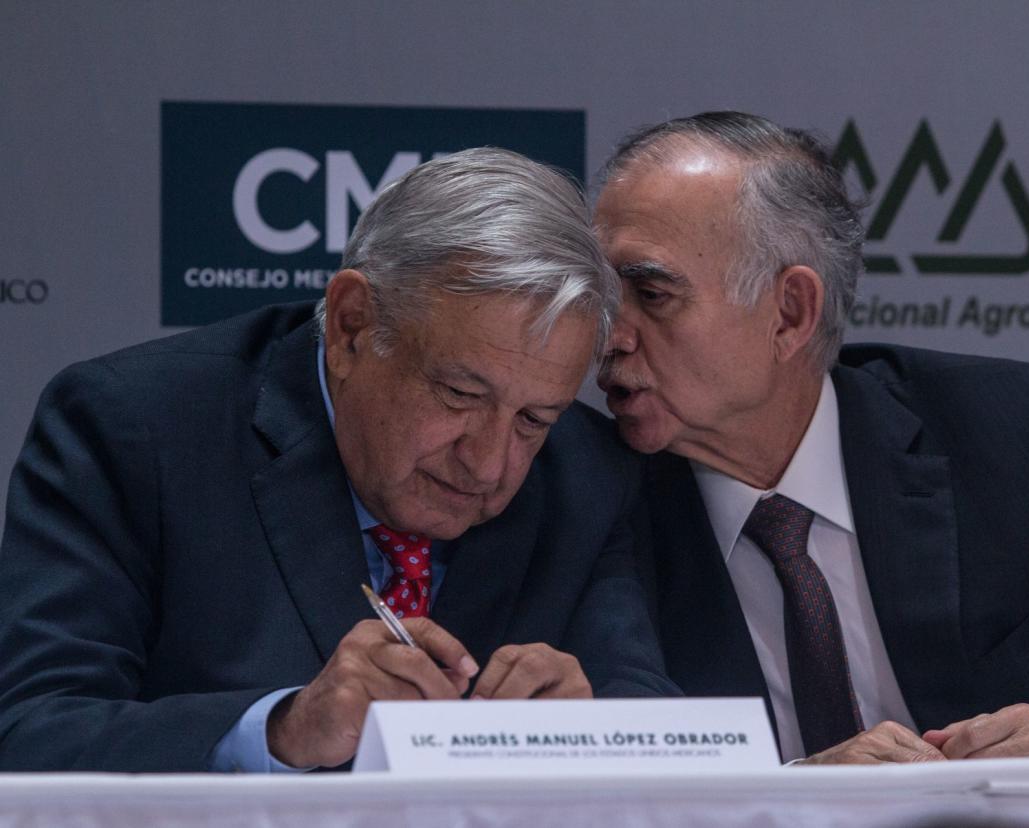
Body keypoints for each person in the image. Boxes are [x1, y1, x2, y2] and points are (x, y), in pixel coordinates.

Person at [592, 111, 1029, 764]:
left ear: (789, 314)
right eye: (595, 293)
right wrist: (793, 794)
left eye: (651, 294)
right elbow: (598, 765)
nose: (609, 334)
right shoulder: (581, 487)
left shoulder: (1002, 435)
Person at [0, 147, 676, 772]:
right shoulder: (137, 429)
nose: (490, 465)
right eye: (460, 394)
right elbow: (32, 731)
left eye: (534, 420)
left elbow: (651, 717)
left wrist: (598, 731)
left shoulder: (588, 471)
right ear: (352, 326)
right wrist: (281, 728)